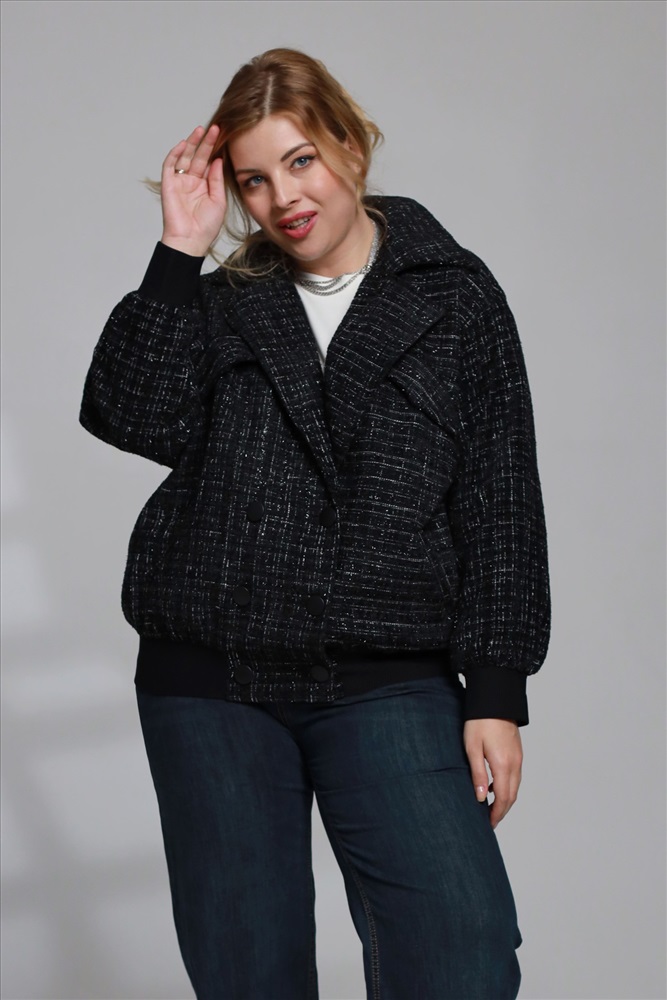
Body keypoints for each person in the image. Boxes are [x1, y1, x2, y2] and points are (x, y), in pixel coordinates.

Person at [80, 47, 550, 1000]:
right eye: (254, 179)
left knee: (458, 952)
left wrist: (496, 691)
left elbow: (500, 497)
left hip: (385, 673)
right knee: (247, 973)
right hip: (209, 679)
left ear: (349, 143)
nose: (282, 198)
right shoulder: (222, 301)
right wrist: (180, 248)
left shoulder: (454, 294)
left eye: (299, 161)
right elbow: (129, 416)